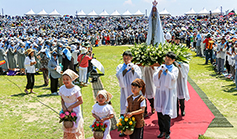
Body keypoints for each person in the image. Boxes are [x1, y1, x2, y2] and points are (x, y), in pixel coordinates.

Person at [153, 52, 179, 139]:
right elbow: (155, 77)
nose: (167, 61)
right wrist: (160, 72)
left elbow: (173, 78)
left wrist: (167, 72)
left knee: (166, 114)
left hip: (168, 93)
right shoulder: (161, 66)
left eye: (169, 60)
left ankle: (167, 132)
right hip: (160, 92)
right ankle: (161, 131)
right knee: (160, 113)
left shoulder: (175, 69)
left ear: (173, 60)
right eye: (166, 59)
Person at [116, 51, 141, 137]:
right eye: (124, 57)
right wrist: (125, 70)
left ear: (131, 58)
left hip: (132, 91)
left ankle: (133, 127)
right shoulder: (120, 66)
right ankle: (123, 128)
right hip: (124, 90)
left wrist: (133, 70)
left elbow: (138, 77)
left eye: (128, 58)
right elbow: (118, 75)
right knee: (123, 108)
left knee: (133, 109)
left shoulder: (136, 67)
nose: (126, 59)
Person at [59, 69, 84, 139]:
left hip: (75, 110)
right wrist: (63, 106)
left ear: (71, 79)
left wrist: (71, 107)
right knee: (67, 126)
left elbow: (80, 101)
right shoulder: (62, 88)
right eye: (64, 79)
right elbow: (62, 100)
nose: (65, 81)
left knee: (75, 127)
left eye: (67, 79)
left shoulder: (76, 89)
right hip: (66, 110)